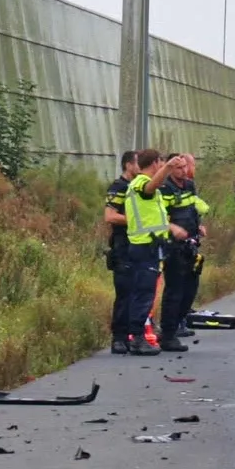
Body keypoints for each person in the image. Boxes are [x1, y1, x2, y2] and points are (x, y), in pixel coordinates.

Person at [116, 150, 188, 356]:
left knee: (146, 292)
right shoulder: (141, 182)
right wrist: (168, 167)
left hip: (150, 245)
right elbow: (150, 187)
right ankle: (137, 338)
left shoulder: (144, 185)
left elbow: (153, 216)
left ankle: (137, 336)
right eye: (161, 163)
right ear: (156, 163)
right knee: (143, 293)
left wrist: (171, 228)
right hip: (144, 246)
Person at [157, 153, 209, 351]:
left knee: (190, 290)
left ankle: (177, 323)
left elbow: (192, 209)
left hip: (191, 245)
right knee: (174, 291)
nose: (184, 171)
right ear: (171, 169)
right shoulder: (164, 189)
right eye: (179, 167)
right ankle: (168, 334)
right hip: (173, 247)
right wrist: (172, 228)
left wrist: (199, 226)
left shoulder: (189, 185)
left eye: (185, 167)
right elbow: (159, 216)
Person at [103, 150, 137, 354]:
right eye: (137, 163)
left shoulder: (139, 187)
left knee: (138, 292)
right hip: (123, 245)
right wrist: (137, 221)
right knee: (124, 292)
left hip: (139, 245)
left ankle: (135, 334)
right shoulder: (119, 187)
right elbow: (110, 216)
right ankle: (119, 337)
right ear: (128, 165)